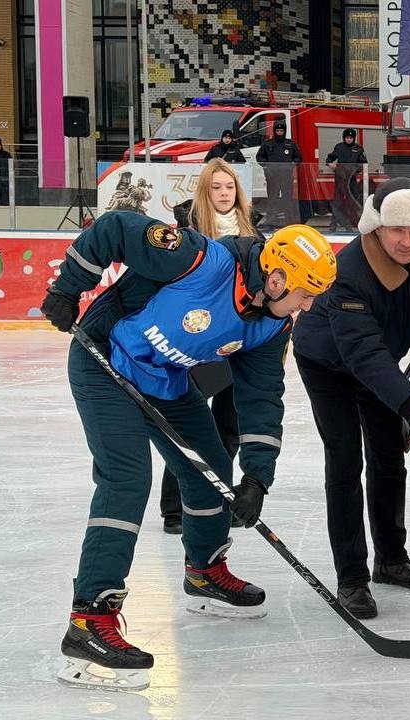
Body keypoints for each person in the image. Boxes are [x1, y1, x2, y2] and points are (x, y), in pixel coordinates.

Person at [40, 214, 336, 691]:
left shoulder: (271, 327)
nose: (307, 305)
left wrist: (258, 477)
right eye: (305, 294)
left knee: (212, 469)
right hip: (106, 363)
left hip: (166, 383)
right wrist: (68, 289)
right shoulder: (197, 258)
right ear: (277, 279)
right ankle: (88, 619)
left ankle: (204, 571)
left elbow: (261, 399)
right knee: (126, 480)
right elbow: (113, 229)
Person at [291, 177, 410, 620]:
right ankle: (352, 577)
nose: (407, 241)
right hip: (329, 365)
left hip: (381, 362)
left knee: (388, 458)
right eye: (396, 230)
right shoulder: (347, 273)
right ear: (375, 227)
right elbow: (363, 355)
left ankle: (391, 560)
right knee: (346, 462)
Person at [160, 158, 262, 534]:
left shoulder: (255, 231)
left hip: (238, 342)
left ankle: (217, 498)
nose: (224, 193)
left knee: (228, 429)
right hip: (196, 339)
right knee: (189, 427)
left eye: (229, 187)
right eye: (216, 187)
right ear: (205, 191)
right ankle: (174, 506)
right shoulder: (188, 230)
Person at [256, 120, 302, 227]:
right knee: (272, 198)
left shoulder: (290, 144)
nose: (279, 132)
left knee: (287, 198)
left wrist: (292, 164)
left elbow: (298, 157)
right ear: (274, 131)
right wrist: (266, 166)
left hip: (286, 176)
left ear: (284, 131)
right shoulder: (268, 144)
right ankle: (271, 220)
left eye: (281, 130)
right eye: (278, 130)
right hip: (272, 176)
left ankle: (289, 220)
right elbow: (260, 157)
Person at [325, 127, 367, 232]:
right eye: (347, 137)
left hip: (351, 179)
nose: (349, 139)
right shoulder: (339, 147)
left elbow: (363, 163)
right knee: (337, 201)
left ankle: (353, 224)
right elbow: (329, 158)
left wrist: (357, 170)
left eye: (351, 138)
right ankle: (333, 224)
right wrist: (331, 165)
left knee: (352, 202)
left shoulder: (358, 149)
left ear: (354, 138)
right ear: (344, 138)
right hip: (340, 178)